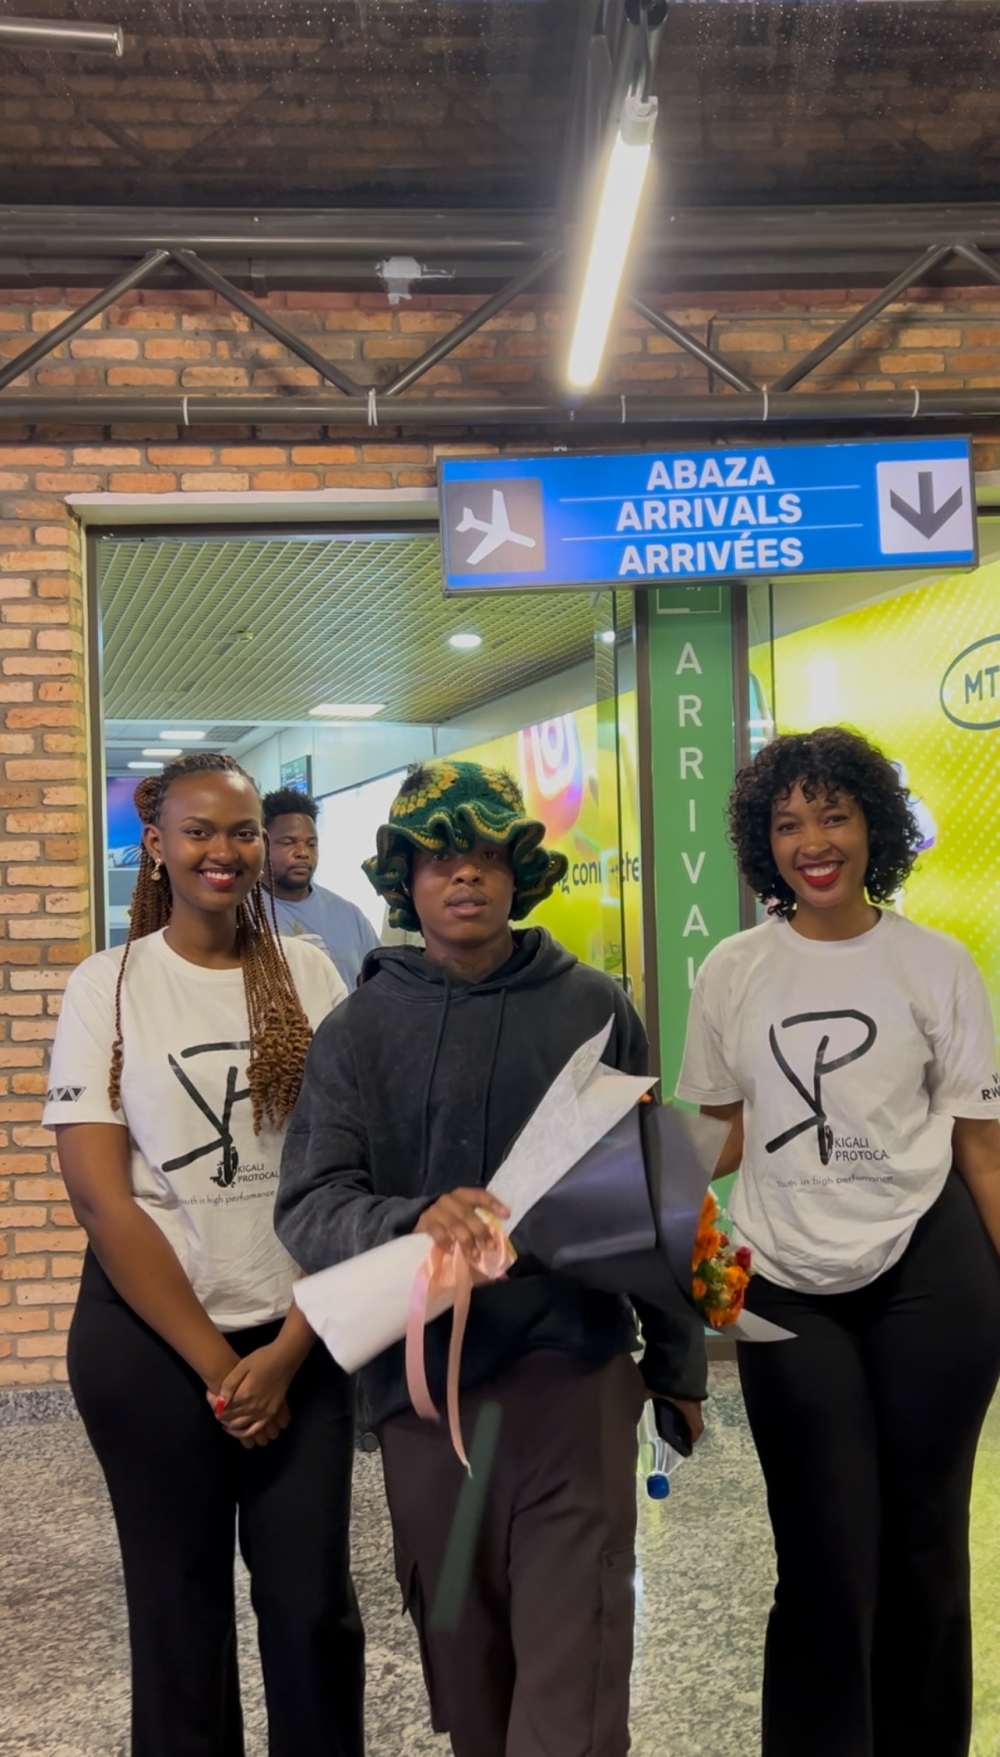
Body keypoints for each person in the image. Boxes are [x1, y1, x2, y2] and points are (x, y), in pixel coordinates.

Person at [275, 759, 707, 1757]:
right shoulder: (357, 1030)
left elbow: (655, 1192)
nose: (462, 877)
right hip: (427, 1401)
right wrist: (410, 1220)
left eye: (484, 854)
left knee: (575, 1669)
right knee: (470, 1668)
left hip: (576, 1374)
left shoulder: (594, 1005)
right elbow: (308, 1204)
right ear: (404, 882)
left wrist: (675, 1363)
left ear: (521, 870)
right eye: (437, 859)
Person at [676, 726, 1000, 1757]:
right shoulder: (733, 968)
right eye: (786, 821)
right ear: (760, 839)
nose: (811, 840)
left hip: (930, 1270)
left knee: (923, 1541)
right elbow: (717, 1124)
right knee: (823, 1552)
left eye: (832, 814)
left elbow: (982, 1149)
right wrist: (620, 1191)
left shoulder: (935, 962)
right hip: (784, 1280)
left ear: (873, 825)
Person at [44, 753, 365, 1757]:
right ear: (159, 844)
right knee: (178, 1614)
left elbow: (345, 1170)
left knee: (311, 1605)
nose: (222, 851)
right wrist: (223, 1366)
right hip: (151, 1341)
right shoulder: (110, 984)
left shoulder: (310, 971)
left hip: (299, 1330)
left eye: (240, 831)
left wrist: (285, 1349)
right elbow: (103, 1196)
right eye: (198, 830)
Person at [262, 787, 379, 989]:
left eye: (311, 844)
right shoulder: (240, 913)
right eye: (289, 842)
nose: (303, 853)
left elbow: (374, 984)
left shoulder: (349, 915)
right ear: (262, 845)